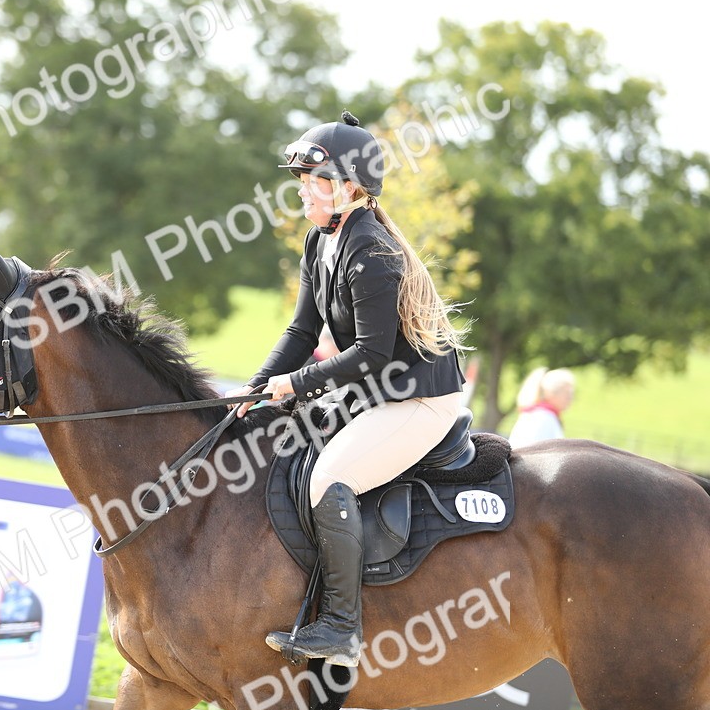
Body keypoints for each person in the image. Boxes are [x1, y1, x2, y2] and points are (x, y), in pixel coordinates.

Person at [226, 111, 468, 666]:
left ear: (350, 188)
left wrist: (294, 383)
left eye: (315, 181)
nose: (304, 192)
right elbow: (301, 331)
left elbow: (370, 355)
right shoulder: (322, 240)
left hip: (416, 399)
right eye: (303, 181)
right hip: (377, 390)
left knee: (328, 478)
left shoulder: (371, 251)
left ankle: (340, 627)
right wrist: (255, 388)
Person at [507, 367, 575, 448]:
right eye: (567, 394)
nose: (570, 398)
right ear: (551, 393)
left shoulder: (539, 414)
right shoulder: (544, 417)